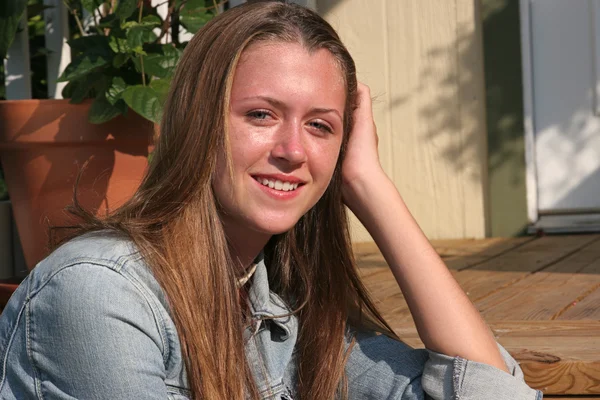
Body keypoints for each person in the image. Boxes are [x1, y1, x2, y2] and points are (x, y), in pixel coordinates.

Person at [0, 2, 542, 399]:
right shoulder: (99, 294)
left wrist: (370, 186)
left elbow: (492, 393)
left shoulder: (284, 310)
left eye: (321, 126)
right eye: (261, 115)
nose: (292, 151)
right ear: (199, 121)